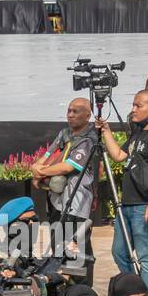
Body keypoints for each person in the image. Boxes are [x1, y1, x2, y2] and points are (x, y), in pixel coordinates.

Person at [98, 90, 148, 289]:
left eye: (138, 105)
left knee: (145, 257)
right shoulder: (139, 131)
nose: (133, 110)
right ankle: (136, 288)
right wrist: (106, 130)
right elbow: (119, 156)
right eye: (133, 105)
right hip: (127, 206)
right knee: (120, 253)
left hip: (146, 206)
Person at [31, 97, 97, 261]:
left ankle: (82, 284)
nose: (70, 115)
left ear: (87, 116)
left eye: (76, 111)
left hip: (76, 202)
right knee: (57, 244)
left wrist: (42, 172)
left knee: (77, 248)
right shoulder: (64, 133)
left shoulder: (89, 138)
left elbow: (68, 166)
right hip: (57, 200)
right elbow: (47, 155)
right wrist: (36, 168)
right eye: (69, 110)